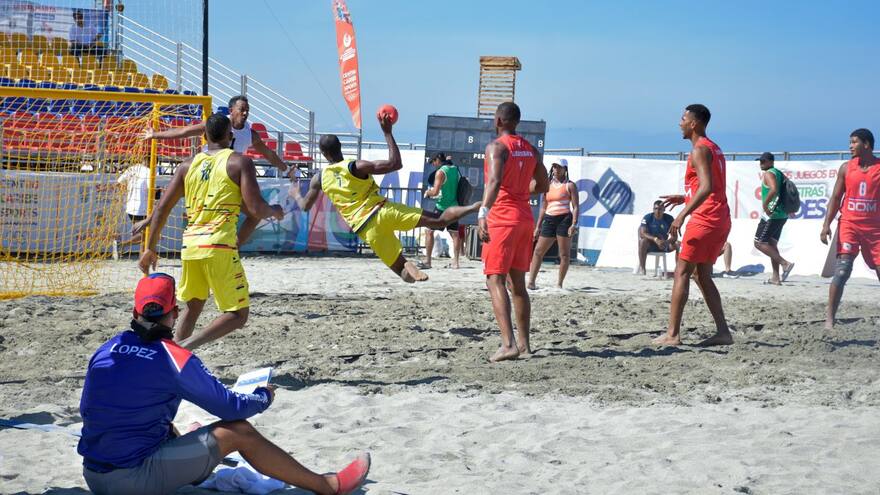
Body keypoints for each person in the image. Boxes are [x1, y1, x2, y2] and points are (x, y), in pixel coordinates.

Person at [77, 273, 370, 495]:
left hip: (93, 473)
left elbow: (92, 409)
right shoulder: (173, 359)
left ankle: (184, 457)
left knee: (155, 417)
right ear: (175, 313)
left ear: (134, 313)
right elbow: (231, 408)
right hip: (130, 481)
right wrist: (262, 397)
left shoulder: (108, 348)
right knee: (238, 432)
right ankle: (328, 485)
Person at [138, 114, 284, 350]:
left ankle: (172, 357)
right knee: (238, 315)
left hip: (191, 245)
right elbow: (256, 208)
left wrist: (150, 248)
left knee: (194, 305)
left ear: (204, 136)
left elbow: (162, 208)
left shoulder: (187, 165)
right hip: (218, 245)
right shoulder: (240, 162)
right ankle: (182, 348)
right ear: (231, 136)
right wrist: (274, 210)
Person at [290, 113, 479, 282]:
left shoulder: (319, 178)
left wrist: (296, 192)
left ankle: (406, 265)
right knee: (439, 220)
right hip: (384, 211)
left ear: (323, 154)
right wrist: (387, 132)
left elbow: (305, 205)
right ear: (340, 148)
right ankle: (472, 208)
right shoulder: (356, 166)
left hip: (366, 228)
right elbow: (395, 163)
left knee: (403, 274)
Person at [142, 95, 289, 247]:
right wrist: (155, 135)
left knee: (254, 213)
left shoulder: (250, 134)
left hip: (228, 177)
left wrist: (286, 169)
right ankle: (150, 220)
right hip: (207, 169)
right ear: (231, 110)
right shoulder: (217, 124)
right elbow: (185, 131)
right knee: (174, 197)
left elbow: (269, 154)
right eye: (242, 110)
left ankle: (234, 247)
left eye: (247, 111)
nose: (245, 113)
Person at [656, 104, 733, 347]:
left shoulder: (699, 149)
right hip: (719, 218)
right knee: (702, 276)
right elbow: (709, 186)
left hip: (704, 219)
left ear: (694, 123)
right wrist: (685, 197)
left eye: (683, 118)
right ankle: (723, 332)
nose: (679, 122)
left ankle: (672, 334)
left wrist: (681, 215)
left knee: (682, 272)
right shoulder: (714, 147)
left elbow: (707, 187)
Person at [479, 102, 550, 362]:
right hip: (524, 218)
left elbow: (495, 181)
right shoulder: (530, 149)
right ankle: (524, 345)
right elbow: (543, 184)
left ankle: (508, 344)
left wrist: (482, 212)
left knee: (494, 280)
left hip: (502, 218)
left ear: (498, 120)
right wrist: (521, 191)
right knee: (518, 284)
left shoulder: (496, 147)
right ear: (516, 122)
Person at [820, 128, 880, 330]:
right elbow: (836, 198)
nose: (850, 146)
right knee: (842, 270)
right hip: (849, 224)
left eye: (854, 142)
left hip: (875, 229)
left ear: (867, 144)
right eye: (850, 142)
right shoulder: (846, 168)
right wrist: (826, 224)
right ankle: (830, 319)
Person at [527, 162, 579, 288]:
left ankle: (559, 284)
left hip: (564, 219)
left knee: (564, 254)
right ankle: (531, 282)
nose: (555, 169)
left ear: (565, 169)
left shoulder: (570, 185)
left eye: (558, 167)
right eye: (554, 166)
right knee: (538, 251)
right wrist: (538, 226)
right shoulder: (547, 185)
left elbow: (576, 207)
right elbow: (543, 207)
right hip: (549, 219)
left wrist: (574, 224)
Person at [754, 152, 795, 285]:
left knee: (759, 243)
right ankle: (776, 277)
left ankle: (785, 263)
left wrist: (765, 205)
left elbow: (774, 189)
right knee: (771, 245)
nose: (761, 163)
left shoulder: (769, 173)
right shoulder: (778, 172)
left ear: (771, 162)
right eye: (760, 161)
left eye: (763, 161)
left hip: (772, 214)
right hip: (781, 214)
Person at [423, 153, 463, 269]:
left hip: (442, 207)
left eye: (433, 162)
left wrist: (427, 193)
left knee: (429, 231)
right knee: (455, 234)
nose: (433, 164)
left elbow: (435, 192)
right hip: (454, 206)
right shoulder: (454, 169)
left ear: (437, 160)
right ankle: (456, 262)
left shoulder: (440, 172)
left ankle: (428, 261)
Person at [113, 162, 150, 259]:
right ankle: (122, 245)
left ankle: (143, 257)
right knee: (148, 235)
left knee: (146, 235)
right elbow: (151, 190)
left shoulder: (132, 169)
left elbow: (118, 182)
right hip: (142, 208)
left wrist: (129, 191)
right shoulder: (148, 171)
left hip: (130, 207)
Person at [636, 200, 679, 275]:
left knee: (679, 244)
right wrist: (655, 239)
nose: (657, 211)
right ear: (653, 209)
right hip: (650, 245)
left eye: (660, 209)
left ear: (664, 209)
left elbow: (674, 236)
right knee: (642, 241)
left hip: (664, 244)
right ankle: (643, 269)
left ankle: (678, 270)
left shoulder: (669, 218)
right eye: (655, 209)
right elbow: (642, 233)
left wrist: (666, 242)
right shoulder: (648, 217)